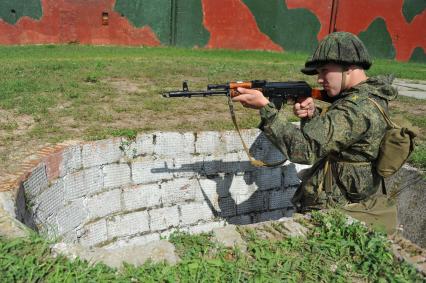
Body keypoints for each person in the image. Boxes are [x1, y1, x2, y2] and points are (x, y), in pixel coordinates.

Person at [232, 31, 397, 212]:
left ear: (349, 67)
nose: (319, 79)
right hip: (343, 200)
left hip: (337, 211)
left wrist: (266, 109)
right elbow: (341, 141)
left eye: (324, 70)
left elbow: (305, 150)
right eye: (318, 72)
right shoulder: (363, 98)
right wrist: (312, 116)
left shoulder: (356, 108)